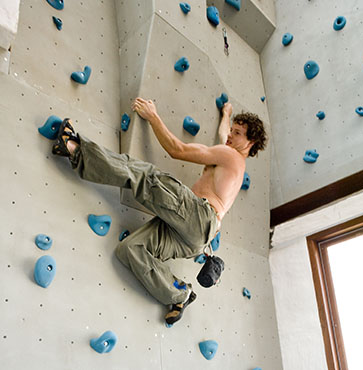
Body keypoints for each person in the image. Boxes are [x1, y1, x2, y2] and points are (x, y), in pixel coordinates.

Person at [51, 97, 267, 325]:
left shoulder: (231, 156)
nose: (231, 136)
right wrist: (226, 114)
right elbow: (223, 136)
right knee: (131, 249)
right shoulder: (232, 157)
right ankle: (179, 294)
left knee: (145, 177)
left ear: (251, 141)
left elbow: (178, 150)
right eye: (232, 131)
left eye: (238, 133)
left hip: (198, 216)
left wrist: (152, 115)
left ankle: (73, 148)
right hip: (195, 239)